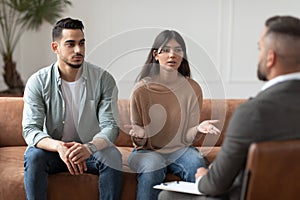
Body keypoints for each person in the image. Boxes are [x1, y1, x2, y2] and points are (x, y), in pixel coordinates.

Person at [158, 15, 300, 200]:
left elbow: (217, 183)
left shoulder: (252, 113)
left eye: (260, 49)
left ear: (270, 58)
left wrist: (203, 178)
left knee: (167, 196)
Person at [22, 17, 122, 200]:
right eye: (70, 44)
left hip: (90, 151)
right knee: (34, 156)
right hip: (53, 151)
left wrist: (89, 148)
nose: (78, 50)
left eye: (81, 43)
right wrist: (59, 147)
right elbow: (30, 130)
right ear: (55, 47)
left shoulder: (104, 79)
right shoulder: (38, 81)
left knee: (112, 156)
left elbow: (111, 127)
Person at [126, 30, 220, 200]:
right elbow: (138, 138)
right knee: (152, 166)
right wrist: (140, 134)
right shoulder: (141, 90)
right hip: (147, 151)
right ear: (156, 55)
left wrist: (198, 128)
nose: (172, 55)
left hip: (180, 149)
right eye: (166, 50)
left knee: (196, 164)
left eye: (178, 50)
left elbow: (187, 137)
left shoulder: (192, 88)